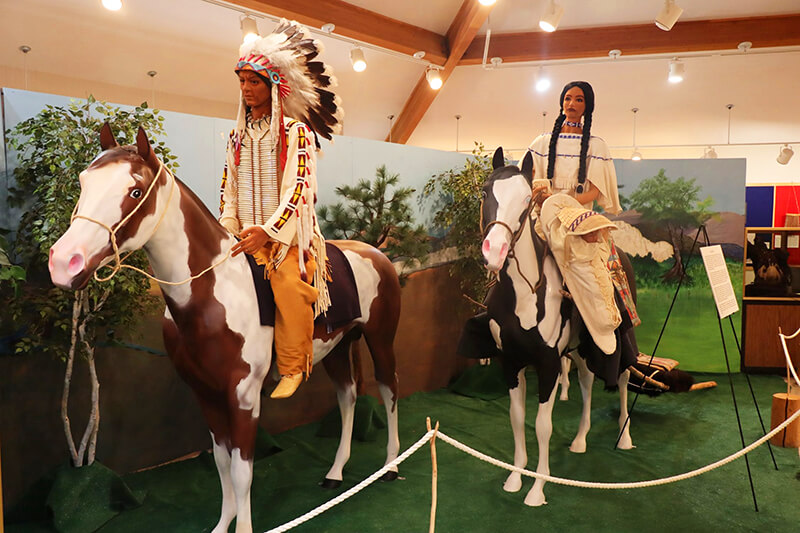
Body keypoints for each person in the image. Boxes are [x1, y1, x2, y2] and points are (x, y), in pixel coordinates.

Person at [219, 20, 343, 399]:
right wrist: (227, 227)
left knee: (289, 284)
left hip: (286, 239)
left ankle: (291, 365)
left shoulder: (296, 133)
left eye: (254, 81)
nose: (246, 89)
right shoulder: (236, 136)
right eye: (242, 81)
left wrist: (268, 233)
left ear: (272, 86)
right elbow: (230, 187)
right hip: (244, 234)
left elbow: (299, 190)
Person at [529, 81, 638, 383]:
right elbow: (533, 179)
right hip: (544, 218)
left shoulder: (596, 145)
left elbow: (595, 190)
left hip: (580, 219)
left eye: (578, 99)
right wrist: (543, 198)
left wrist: (564, 203)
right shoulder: (540, 142)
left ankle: (608, 337)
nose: (571, 103)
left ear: (587, 105)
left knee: (599, 276)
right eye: (567, 98)